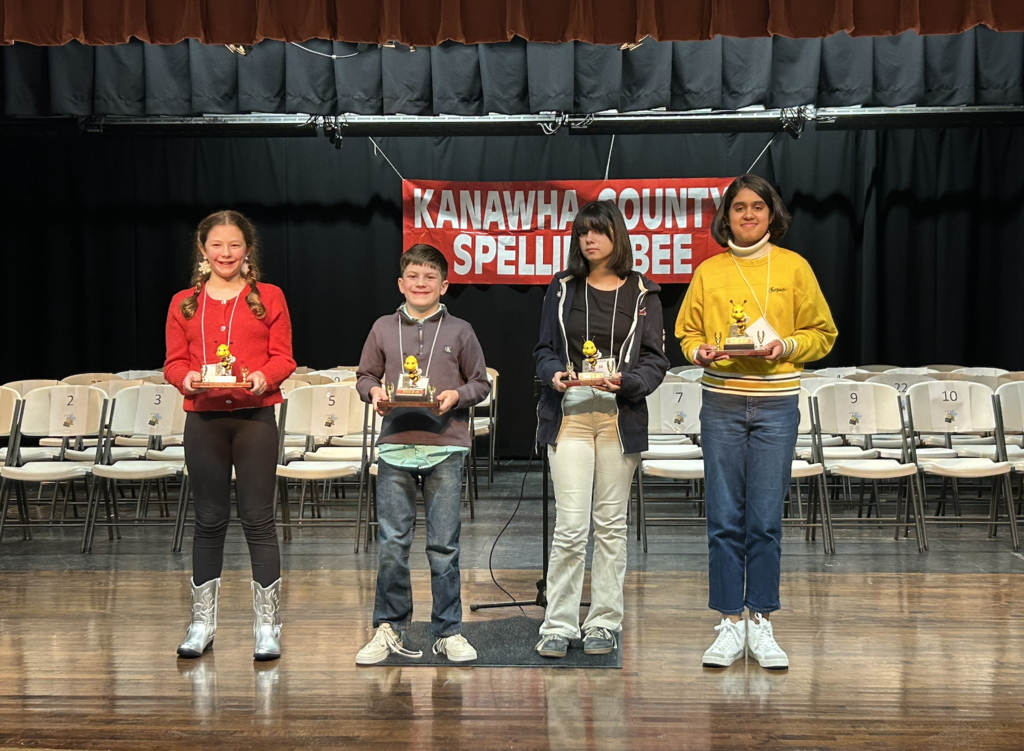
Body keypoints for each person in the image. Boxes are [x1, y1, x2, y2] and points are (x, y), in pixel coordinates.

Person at [676, 174, 837, 670]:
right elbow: (686, 333)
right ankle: (729, 621)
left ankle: (761, 619)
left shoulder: (795, 267)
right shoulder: (708, 271)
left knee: (765, 521)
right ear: (726, 217)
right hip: (722, 403)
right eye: (738, 208)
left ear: (772, 214)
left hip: (775, 404)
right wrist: (699, 351)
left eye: (757, 207)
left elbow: (823, 333)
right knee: (724, 518)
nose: (747, 216)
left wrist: (786, 346)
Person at [534, 200, 670, 658]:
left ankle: (604, 623)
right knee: (571, 527)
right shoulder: (561, 287)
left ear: (617, 237)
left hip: (619, 418)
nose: (588, 240)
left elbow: (655, 361)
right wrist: (554, 373)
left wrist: (627, 381)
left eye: (598, 232)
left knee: (610, 526)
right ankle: (558, 623)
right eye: (582, 233)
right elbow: (543, 350)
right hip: (570, 415)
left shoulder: (644, 292)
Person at [165, 210, 296, 662]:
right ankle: (202, 623)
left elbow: (285, 357)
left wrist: (264, 376)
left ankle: (267, 625)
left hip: (255, 419)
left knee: (258, 521)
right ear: (203, 250)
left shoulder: (270, 297)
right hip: (204, 421)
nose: (225, 253)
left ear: (247, 250)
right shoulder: (184, 302)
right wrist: (186, 380)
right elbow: (173, 362)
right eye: (217, 245)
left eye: (234, 245)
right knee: (208, 521)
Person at [355, 244, 490, 665]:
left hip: (444, 446)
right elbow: (364, 375)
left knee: (443, 546)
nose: (420, 284)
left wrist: (457, 395)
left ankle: (448, 631)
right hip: (396, 446)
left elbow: (481, 383)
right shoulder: (381, 327)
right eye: (413, 276)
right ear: (401, 283)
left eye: (429, 277)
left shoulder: (461, 330)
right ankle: (389, 627)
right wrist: (374, 391)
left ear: (444, 285)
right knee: (393, 543)